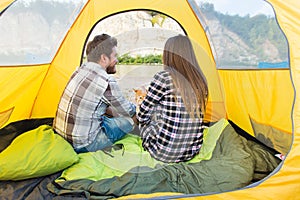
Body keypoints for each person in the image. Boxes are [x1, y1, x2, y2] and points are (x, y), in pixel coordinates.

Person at [53, 34, 137, 153]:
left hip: (62, 137)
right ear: (104, 58)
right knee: (131, 119)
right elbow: (128, 111)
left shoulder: (78, 71)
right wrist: (136, 108)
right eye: (115, 56)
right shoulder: (106, 81)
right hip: (84, 144)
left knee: (106, 108)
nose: (117, 60)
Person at [137, 35, 209, 163]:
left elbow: (142, 116)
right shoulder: (200, 79)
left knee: (148, 115)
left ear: (168, 55)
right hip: (190, 152)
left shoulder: (163, 77)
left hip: (163, 153)